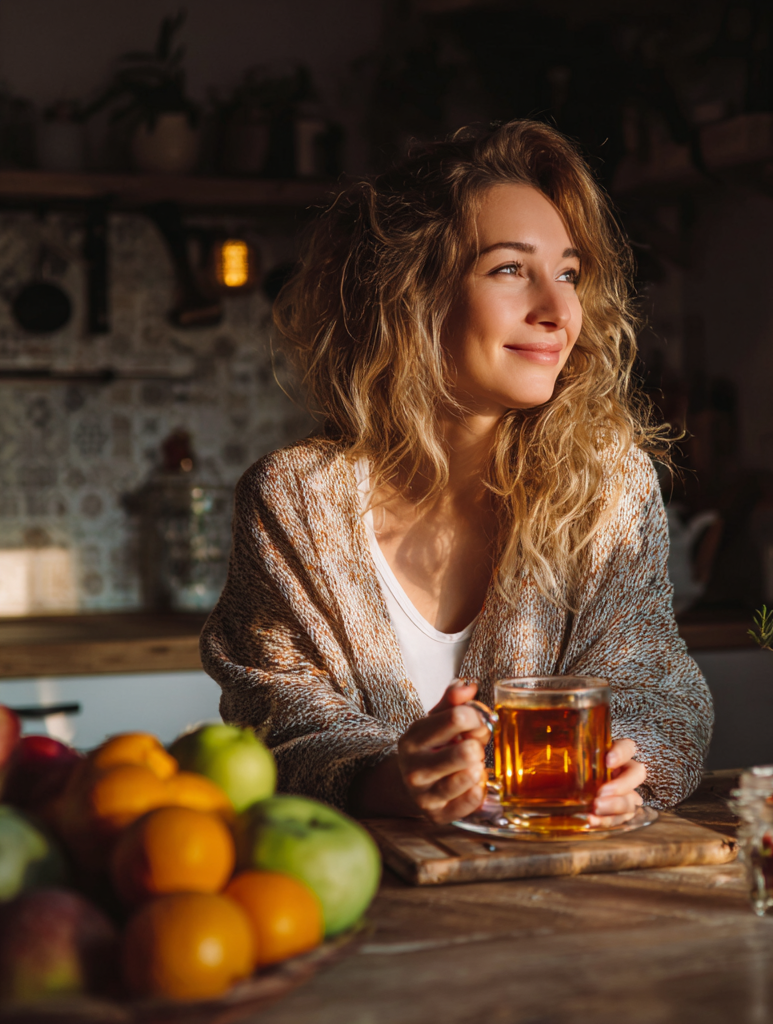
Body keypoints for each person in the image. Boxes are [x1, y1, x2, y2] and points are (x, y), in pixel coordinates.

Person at [201, 120, 713, 826]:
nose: (558, 310)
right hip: (369, 901)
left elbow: (660, 687)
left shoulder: (606, 486)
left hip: (572, 894)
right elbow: (276, 716)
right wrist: (387, 778)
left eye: (568, 273)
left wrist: (632, 759)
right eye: (510, 269)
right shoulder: (296, 499)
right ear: (409, 292)